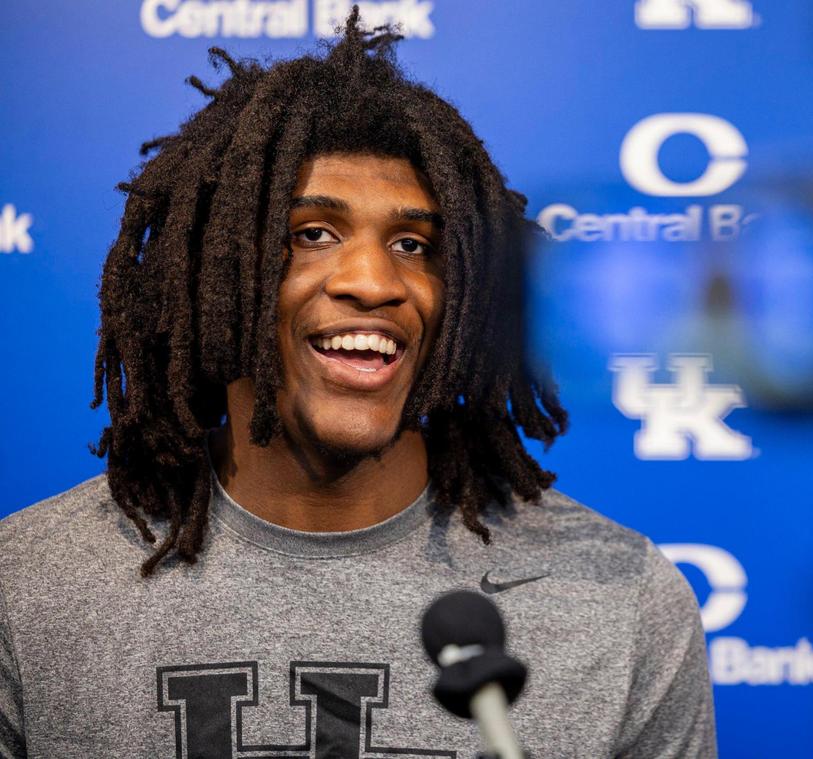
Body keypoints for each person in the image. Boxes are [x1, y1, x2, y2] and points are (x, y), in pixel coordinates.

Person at [0, 11, 715, 759]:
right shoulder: (30, 588)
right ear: (214, 273)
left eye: (415, 245)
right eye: (312, 234)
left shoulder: (616, 598)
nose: (374, 282)